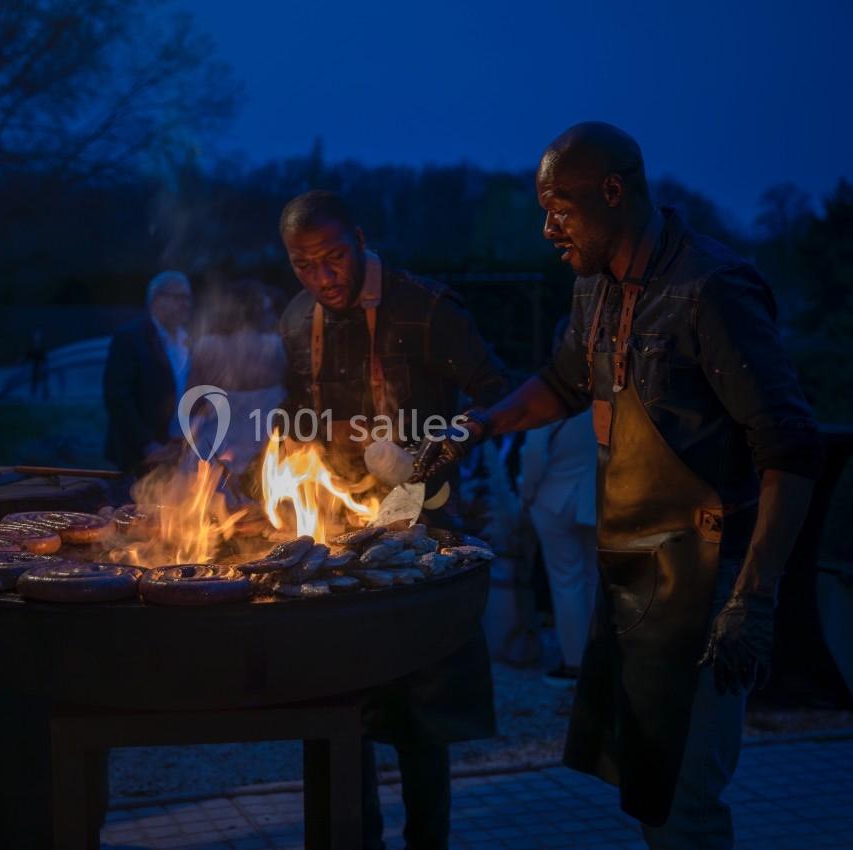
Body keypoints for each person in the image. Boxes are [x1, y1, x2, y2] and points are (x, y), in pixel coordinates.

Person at [413, 122, 822, 848]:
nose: (548, 230)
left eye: (559, 210)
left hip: (708, 578)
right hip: (632, 571)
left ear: (612, 191)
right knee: (647, 785)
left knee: (685, 801)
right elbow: (563, 383)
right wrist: (477, 426)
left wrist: (754, 597)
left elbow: (790, 446)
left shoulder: (710, 289)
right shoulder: (593, 290)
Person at [278, 190, 510, 850]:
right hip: (334, 540)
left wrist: (440, 439)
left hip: (422, 532)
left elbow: (499, 392)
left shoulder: (425, 308)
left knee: (421, 713)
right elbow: (292, 417)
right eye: (303, 265)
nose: (322, 278)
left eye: (333, 257)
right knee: (340, 702)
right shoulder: (296, 320)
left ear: (359, 238)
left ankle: (427, 842)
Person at [518, 316, 598, 687]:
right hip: (596, 498)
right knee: (595, 579)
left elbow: (534, 453)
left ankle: (574, 662)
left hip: (552, 500)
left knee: (566, 581)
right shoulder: (609, 390)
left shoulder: (556, 393)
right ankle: (598, 658)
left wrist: (525, 494)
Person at [185, 278, 287, 477]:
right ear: (260, 309)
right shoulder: (277, 346)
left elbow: (192, 402)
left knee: (213, 495)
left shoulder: (206, 347)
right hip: (266, 442)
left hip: (217, 443)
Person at [103, 270, 193, 473]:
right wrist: (147, 444)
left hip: (177, 450)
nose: (186, 304)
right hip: (139, 456)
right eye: (180, 297)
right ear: (157, 299)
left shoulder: (187, 339)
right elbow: (117, 398)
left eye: (188, 298)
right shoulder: (130, 338)